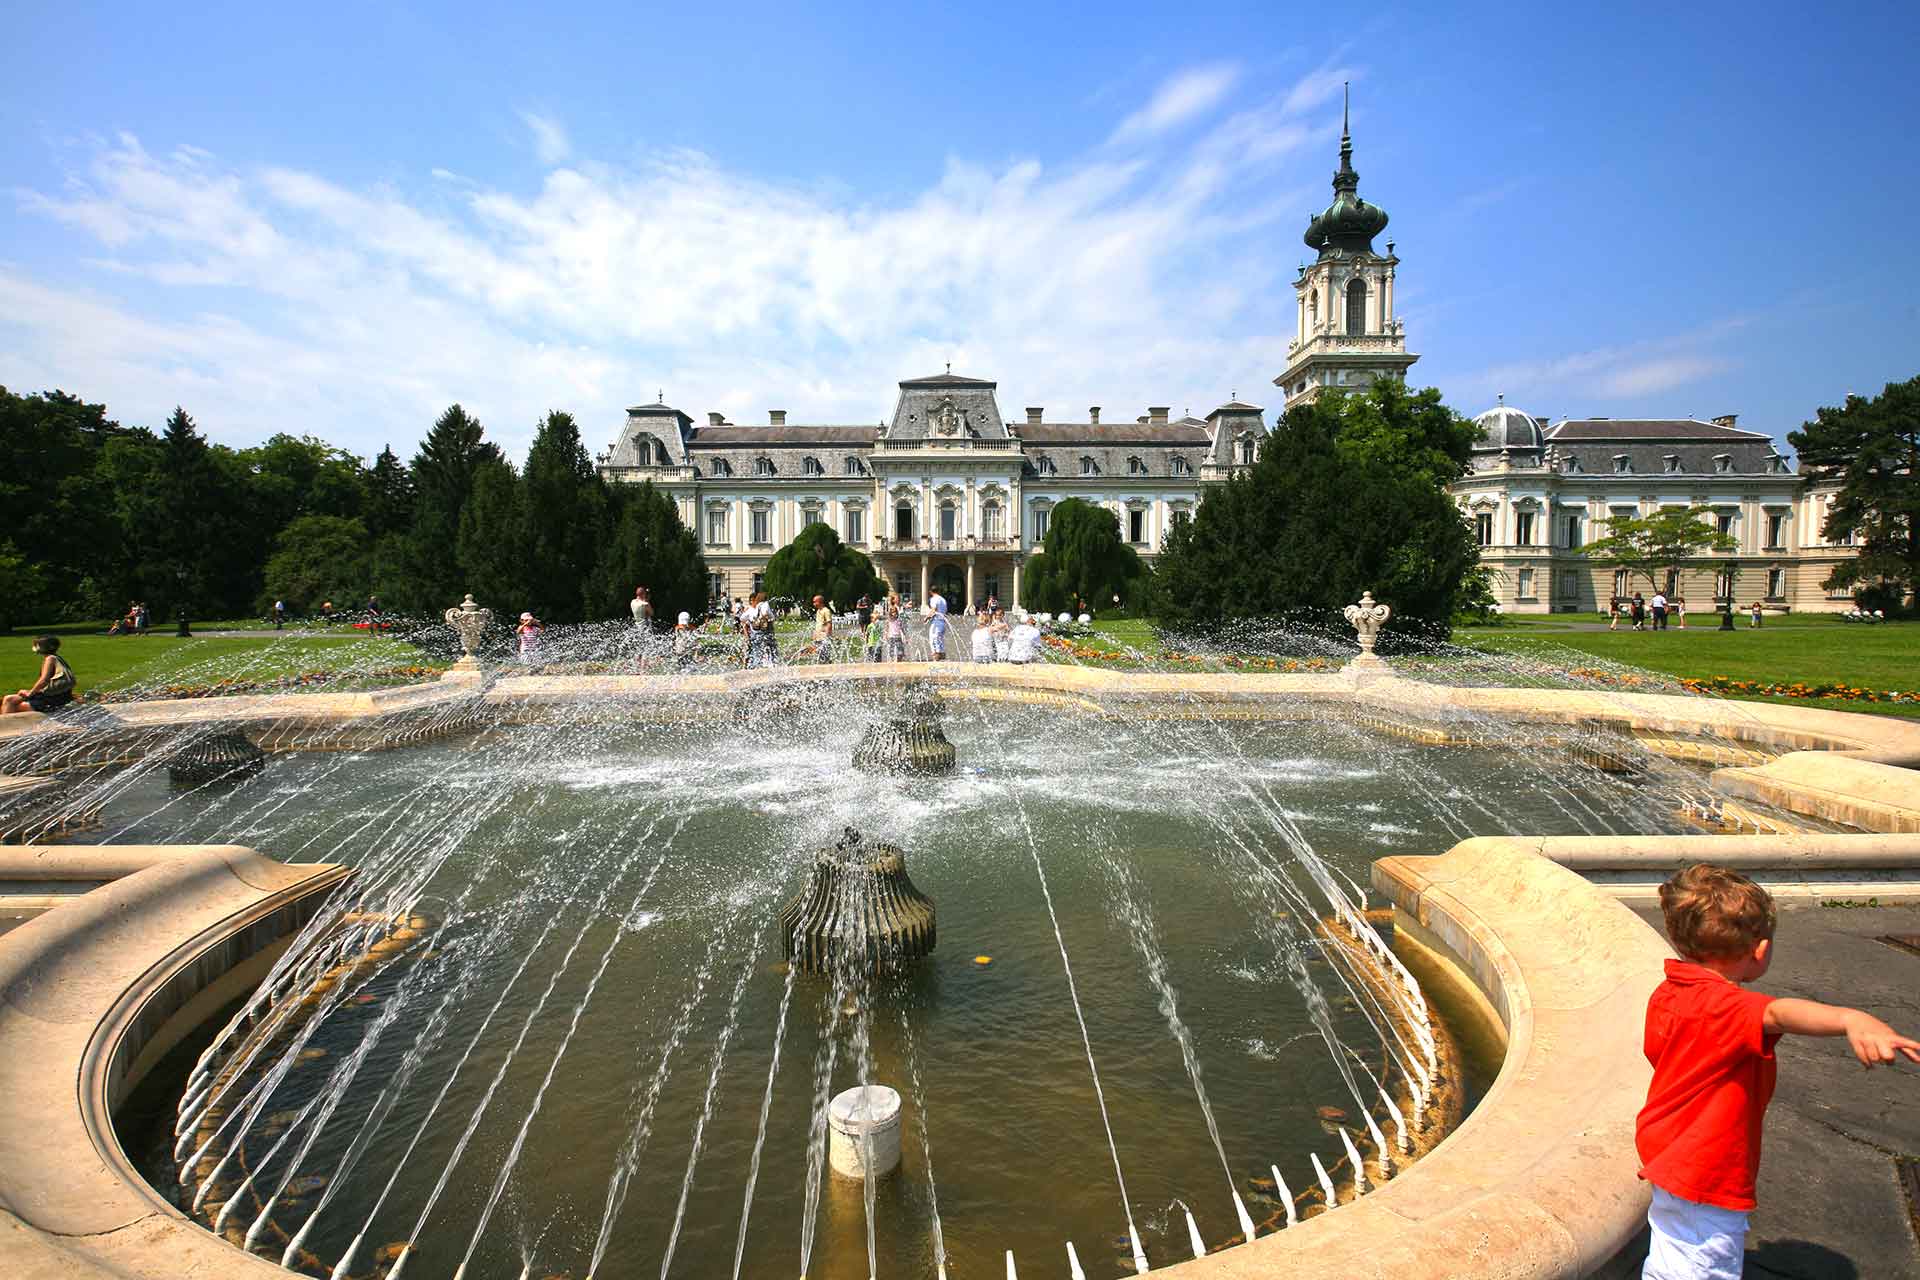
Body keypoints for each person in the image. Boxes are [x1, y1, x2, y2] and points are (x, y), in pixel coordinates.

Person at [1636, 864, 1918, 1278]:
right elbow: (1778, 1012)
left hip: (1670, 1148)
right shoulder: (1725, 1008)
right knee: (1701, 1266)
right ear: (1761, 950)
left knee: (1674, 1255)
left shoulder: (1670, 991)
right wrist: (1849, 1019)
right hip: (1705, 1167)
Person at [3, 636, 78, 716]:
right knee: (11, 699)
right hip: (56, 697)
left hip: (50, 701)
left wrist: (30, 693)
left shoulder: (50, 659)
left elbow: (44, 680)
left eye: (36, 645)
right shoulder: (57, 658)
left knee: (10, 701)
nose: (34, 647)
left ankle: (5, 726)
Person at [811, 595, 834, 663]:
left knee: (825, 654)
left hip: (824, 636)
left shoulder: (826, 611)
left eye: (815, 602)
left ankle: (828, 667)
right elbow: (819, 624)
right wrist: (815, 634)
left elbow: (829, 623)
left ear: (819, 602)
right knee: (819, 654)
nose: (813, 603)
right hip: (818, 636)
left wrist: (827, 636)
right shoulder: (818, 611)